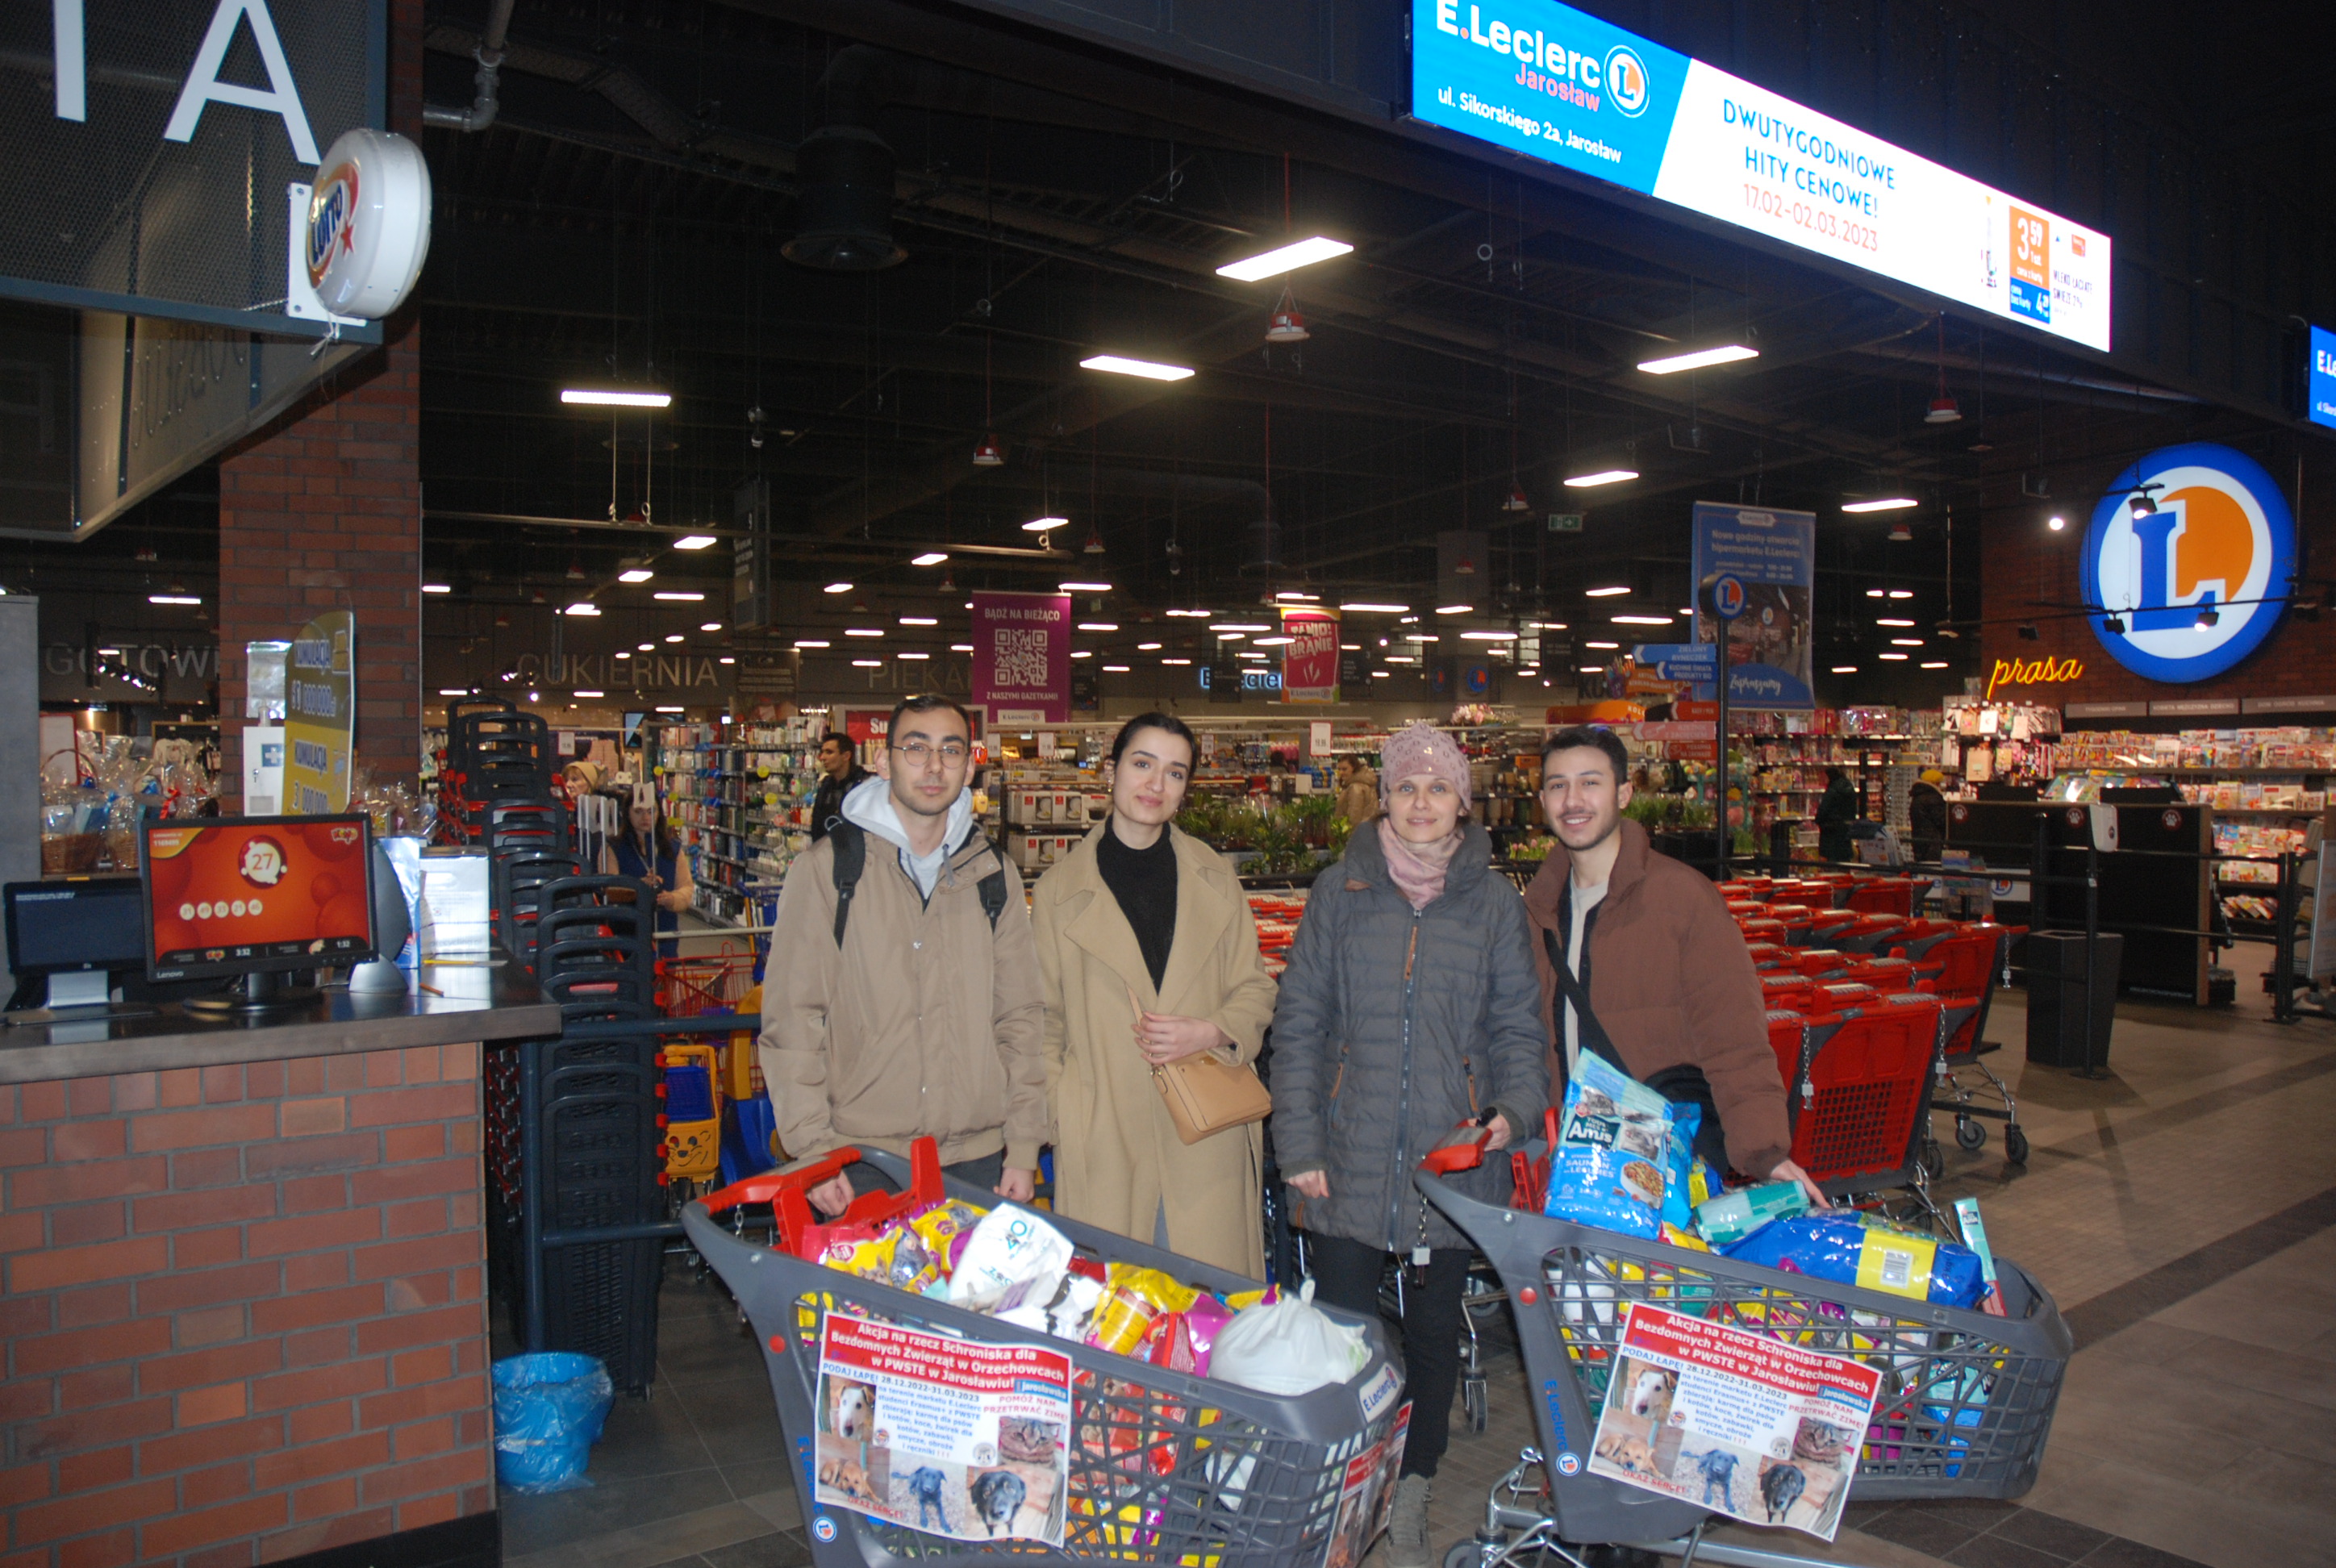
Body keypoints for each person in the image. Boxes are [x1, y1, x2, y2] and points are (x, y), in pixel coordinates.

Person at [1271, 723, 1548, 1568]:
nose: (1420, 803)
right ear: (1382, 798)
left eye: (1438, 788)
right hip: (1346, 1151)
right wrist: (1298, 1143)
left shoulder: (1494, 903)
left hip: (1449, 1159)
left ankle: (1416, 1481)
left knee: (1432, 1335)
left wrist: (1512, 1113)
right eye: (1405, 787)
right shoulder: (1339, 891)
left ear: (1462, 801)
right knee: (1344, 1331)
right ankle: (1341, 1484)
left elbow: (1518, 1028)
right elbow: (1300, 1025)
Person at [758, 694, 1046, 1217]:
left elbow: (1020, 1017)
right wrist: (813, 1151)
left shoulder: (992, 874)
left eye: (950, 750)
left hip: (978, 1159)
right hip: (860, 1160)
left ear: (969, 767)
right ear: (885, 761)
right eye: (916, 748)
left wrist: (1024, 1145)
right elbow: (793, 1019)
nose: (934, 766)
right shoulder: (830, 871)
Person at [1525, 726, 1824, 1207]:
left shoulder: (1682, 898)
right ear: (1543, 801)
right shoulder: (1536, 912)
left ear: (1624, 793)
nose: (1573, 800)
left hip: (1659, 1169)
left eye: (1590, 782)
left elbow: (1734, 1038)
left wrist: (1763, 1154)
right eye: (1558, 785)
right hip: (1573, 1167)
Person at [1030, 713, 1279, 1274]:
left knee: (1208, 1302)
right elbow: (1044, 1020)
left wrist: (1213, 1030)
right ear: (1111, 771)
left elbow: (1254, 987)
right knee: (1117, 1306)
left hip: (1206, 1129)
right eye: (1142, 764)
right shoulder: (1057, 892)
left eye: (1175, 772)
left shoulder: (1215, 877)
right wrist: (1064, 1111)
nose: (1155, 784)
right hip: (1105, 1134)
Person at [603, 790, 694, 958]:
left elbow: (686, 888)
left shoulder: (672, 849)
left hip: (665, 934)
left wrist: (672, 899)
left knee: (664, 973)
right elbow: (610, 889)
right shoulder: (613, 847)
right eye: (638, 811)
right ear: (626, 813)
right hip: (626, 935)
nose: (645, 817)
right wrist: (638, 886)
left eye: (651, 811)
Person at [809, 732, 870, 843]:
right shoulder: (826, 786)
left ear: (846, 756)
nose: (822, 757)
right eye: (822, 752)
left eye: (829, 752)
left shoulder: (863, 786)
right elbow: (817, 826)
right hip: (826, 850)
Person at [1816, 765, 1859, 865]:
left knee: (1832, 861)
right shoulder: (1849, 788)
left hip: (1831, 833)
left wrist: (1819, 821)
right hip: (1845, 831)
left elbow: (1823, 811)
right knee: (1844, 861)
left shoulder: (1832, 791)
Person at [1909, 768, 1949, 864]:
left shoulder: (1917, 797)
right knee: (1933, 867)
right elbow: (1941, 821)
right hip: (1932, 844)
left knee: (1922, 866)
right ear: (1935, 783)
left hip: (1919, 841)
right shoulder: (1933, 799)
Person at [1333, 754, 1379, 825]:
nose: (1341, 772)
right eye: (1339, 769)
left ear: (1354, 768)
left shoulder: (1355, 788)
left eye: (1345, 769)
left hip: (1356, 830)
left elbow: (1354, 818)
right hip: (1367, 829)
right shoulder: (1364, 783)